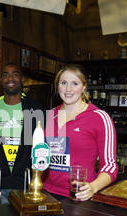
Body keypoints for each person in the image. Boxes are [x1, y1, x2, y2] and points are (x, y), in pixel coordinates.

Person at [42, 64, 117, 201]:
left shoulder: (99, 118)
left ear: (84, 87)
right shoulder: (49, 115)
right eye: (63, 83)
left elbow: (110, 166)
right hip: (46, 193)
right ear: (57, 86)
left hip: (79, 196)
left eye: (75, 83)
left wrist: (93, 187)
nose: (68, 89)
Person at [0, 63, 45, 202]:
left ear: (22, 79)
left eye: (15, 74)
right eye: (5, 75)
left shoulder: (36, 110)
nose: (10, 78)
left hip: (26, 187)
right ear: (0, 80)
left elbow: (42, 148)